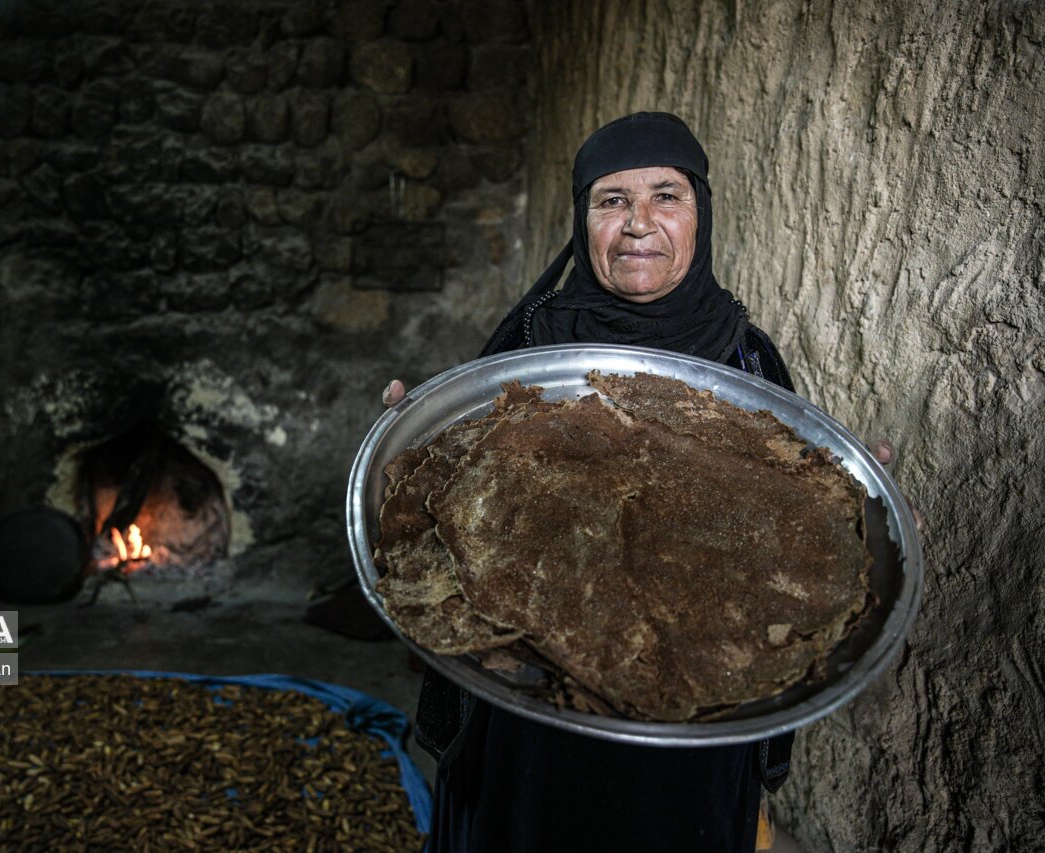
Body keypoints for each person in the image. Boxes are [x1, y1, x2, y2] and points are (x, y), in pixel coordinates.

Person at [381, 112, 904, 851]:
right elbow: (451, 519)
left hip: (693, 722)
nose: (638, 224)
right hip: (534, 708)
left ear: (702, 214)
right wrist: (410, 443)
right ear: (583, 219)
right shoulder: (531, 348)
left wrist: (858, 505)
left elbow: (791, 526)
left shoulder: (748, 365)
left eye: (666, 195)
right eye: (611, 201)